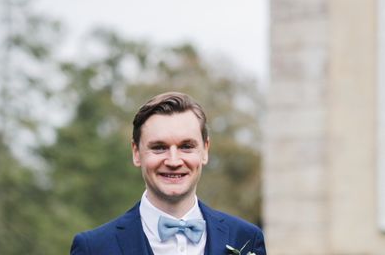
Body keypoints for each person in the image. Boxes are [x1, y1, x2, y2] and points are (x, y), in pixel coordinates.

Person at [70, 91, 266, 255]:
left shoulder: (246, 238)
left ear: (205, 150)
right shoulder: (93, 248)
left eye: (186, 146)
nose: (173, 161)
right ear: (136, 153)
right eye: (159, 147)